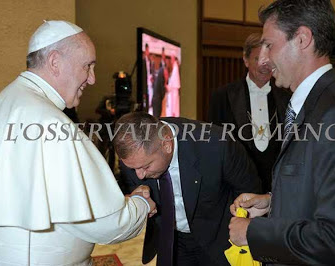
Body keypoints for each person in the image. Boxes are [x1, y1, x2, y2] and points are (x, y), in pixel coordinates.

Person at [0, 20, 155, 265]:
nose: (92, 79)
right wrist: (139, 204)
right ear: (55, 62)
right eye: (88, 66)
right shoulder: (51, 124)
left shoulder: (7, 100)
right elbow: (106, 224)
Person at [229, 0, 335, 265]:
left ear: (302, 39)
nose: (264, 59)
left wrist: (255, 233)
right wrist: (273, 203)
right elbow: (322, 193)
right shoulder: (316, 103)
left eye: (269, 45)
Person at [113, 112, 261, 266]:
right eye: (133, 169)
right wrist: (139, 198)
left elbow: (249, 192)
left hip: (219, 238)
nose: (140, 175)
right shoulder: (134, 155)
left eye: (146, 166)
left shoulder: (217, 144)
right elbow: (134, 185)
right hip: (172, 240)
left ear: (167, 145)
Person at [209, 33, 290, 193]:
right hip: (236, 188)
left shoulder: (288, 99)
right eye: (257, 58)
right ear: (245, 60)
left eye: (268, 60)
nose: (264, 65)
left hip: (277, 190)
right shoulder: (222, 96)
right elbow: (214, 146)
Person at [152, 47, 167, 117]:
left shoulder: (162, 69)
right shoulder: (162, 71)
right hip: (157, 99)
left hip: (157, 98)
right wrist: (164, 94)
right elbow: (161, 85)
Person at [165, 51, 180, 117]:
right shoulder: (174, 67)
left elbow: (174, 82)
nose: (171, 60)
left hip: (174, 91)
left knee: (174, 108)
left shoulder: (175, 67)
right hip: (172, 91)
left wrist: (168, 86)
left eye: (171, 58)